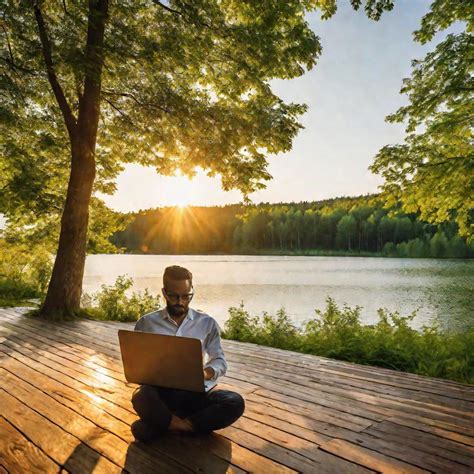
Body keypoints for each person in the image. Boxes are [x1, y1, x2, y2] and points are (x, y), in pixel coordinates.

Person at [130, 265, 245, 443]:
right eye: (174, 296)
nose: (180, 301)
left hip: (195, 394)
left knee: (235, 402)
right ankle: (189, 425)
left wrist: (205, 373)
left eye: (186, 296)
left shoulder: (207, 323)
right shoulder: (146, 323)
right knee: (141, 396)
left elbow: (220, 361)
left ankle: (167, 424)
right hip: (161, 395)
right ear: (164, 292)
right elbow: (136, 364)